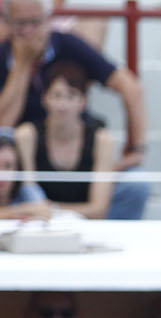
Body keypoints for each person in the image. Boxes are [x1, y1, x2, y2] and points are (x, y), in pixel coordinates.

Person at [0, 0, 149, 219]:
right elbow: (4, 125)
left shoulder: (70, 46)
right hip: (28, 161)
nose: (28, 31)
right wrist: (22, 64)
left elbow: (131, 87)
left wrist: (136, 151)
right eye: (20, 24)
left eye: (34, 22)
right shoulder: (27, 135)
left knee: (137, 185)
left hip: (78, 154)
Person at [13, 60, 115, 219]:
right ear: (45, 98)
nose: (63, 105)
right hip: (37, 225)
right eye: (57, 95)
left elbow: (99, 210)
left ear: (83, 101)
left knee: (136, 187)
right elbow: (30, 198)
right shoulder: (27, 135)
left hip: (84, 224)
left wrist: (52, 210)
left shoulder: (102, 140)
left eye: (71, 96)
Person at [0, 128, 52, 220]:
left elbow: (45, 211)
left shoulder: (23, 190)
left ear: (17, 168)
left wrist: (7, 213)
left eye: (8, 166)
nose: (2, 173)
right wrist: (23, 210)